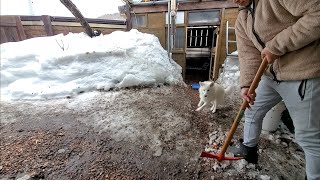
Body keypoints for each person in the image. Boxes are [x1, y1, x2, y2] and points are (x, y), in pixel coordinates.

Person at [230, 0, 320, 179]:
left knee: (309, 138)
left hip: (302, 73)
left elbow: (317, 13)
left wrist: (277, 46)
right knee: (252, 109)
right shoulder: (243, 18)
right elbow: (248, 54)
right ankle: (248, 149)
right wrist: (247, 85)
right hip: (270, 77)